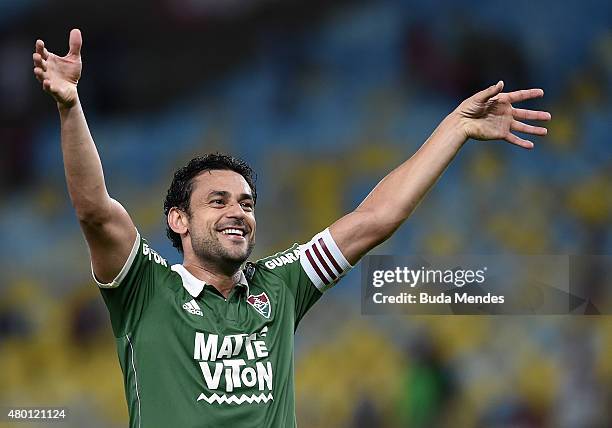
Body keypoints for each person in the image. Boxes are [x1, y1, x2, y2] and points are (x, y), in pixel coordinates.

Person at [32, 29, 551, 427]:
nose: (239, 211)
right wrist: (70, 106)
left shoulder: (279, 285)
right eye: (218, 201)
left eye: (247, 203)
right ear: (179, 221)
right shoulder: (145, 289)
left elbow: (375, 219)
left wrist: (455, 126)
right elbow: (96, 211)